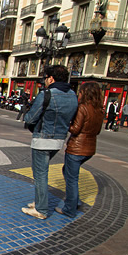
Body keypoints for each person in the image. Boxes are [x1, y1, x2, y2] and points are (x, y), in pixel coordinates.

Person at [21, 65, 78, 220]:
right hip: (59, 140)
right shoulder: (73, 95)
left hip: (42, 140)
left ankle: (41, 209)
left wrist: (26, 116)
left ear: (51, 78)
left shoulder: (47, 94)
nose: (45, 82)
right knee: (42, 172)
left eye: (45, 78)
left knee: (40, 174)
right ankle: (40, 202)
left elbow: (31, 117)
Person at [55, 81, 104, 218]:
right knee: (68, 172)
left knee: (71, 179)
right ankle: (73, 200)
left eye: (80, 91)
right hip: (90, 149)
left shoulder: (83, 108)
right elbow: (98, 131)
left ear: (84, 93)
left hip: (77, 148)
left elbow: (75, 129)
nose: (79, 94)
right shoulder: (99, 109)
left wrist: (67, 123)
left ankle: (70, 208)